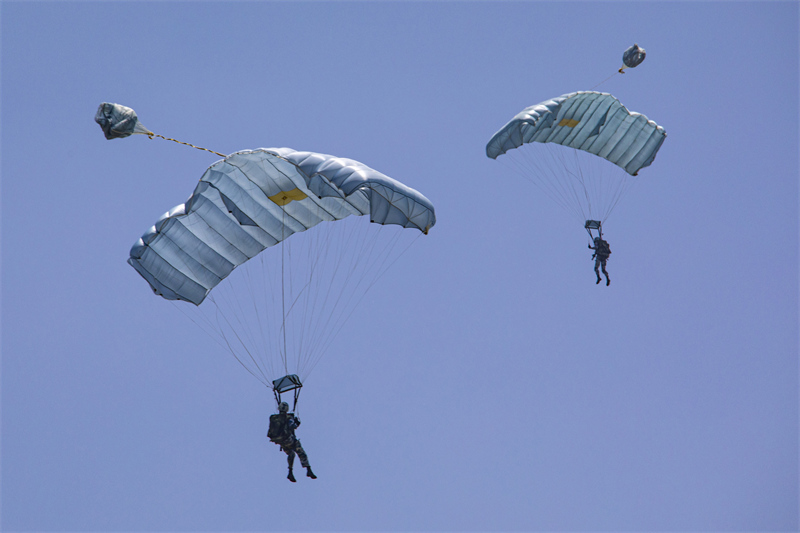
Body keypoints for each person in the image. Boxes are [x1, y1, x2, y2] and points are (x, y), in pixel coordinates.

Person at [268, 401, 316, 482]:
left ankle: (290, 472)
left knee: (291, 454)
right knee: (300, 451)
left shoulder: (273, 417)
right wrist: (297, 423)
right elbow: (293, 426)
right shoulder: (288, 418)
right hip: (288, 440)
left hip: (280, 441)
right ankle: (308, 469)